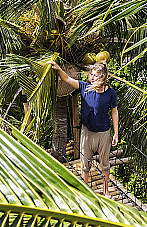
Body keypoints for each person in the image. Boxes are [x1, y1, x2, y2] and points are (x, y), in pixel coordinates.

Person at [49, 61, 118, 197]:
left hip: (104, 133)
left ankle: (105, 191)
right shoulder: (84, 87)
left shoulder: (110, 93)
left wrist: (116, 133)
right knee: (85, 163)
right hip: (87, 132)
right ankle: (86, 192)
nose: (92, 77)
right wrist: (58, 68)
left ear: (103, 77)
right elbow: (67, 79)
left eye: (95, 75)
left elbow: (114, 112)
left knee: (105, 164)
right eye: (91, 74)